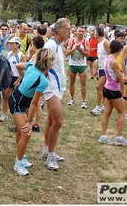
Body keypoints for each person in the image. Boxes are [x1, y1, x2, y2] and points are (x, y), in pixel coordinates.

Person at [10, 48, 55, 176]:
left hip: (22, 100)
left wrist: (24, 78)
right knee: (26, 133)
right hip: (17, 101)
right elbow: (35, 103)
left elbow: (18, 65)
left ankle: (21, 156)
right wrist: (30, 122)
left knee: (21, 130)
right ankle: (18, 163)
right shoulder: (43, 81)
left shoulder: (30, 64)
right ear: (49, 63)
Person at [41, 18, 70, 171]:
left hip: (58, 87)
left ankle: (47, 150)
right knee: (58, 121)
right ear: (59, 30)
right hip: (51, 87)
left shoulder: (58, 45)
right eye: (67, 28)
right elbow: (43, 66)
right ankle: (51, 156)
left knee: (51, 120)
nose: (69, 31)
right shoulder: (50, 45)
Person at [98, 40, 127, 146]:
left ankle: (103, 135)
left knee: (107, 112)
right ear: (119, 50)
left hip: (107, 87)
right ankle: (119, 137)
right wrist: (122, 78)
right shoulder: (114, 62)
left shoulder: (107, 59)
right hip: (113, 89)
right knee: (122, 112)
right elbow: (121, 80)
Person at [0, 37, 26, 122]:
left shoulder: (21, 55)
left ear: (18, 45)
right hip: (9, 77)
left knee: (16, 98)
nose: (11, 45)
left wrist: (18, 80)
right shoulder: (8, 54)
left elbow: (23, 70)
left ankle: (17, 115)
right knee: (5, 96)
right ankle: (4, 114)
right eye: (10, 43)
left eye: (13, 43)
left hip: (17, 77)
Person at [66, 26, 90, 109]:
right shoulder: (71, 41)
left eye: (82, 31)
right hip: (72, 64)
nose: (81, 33)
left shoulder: (86, 41)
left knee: (83, 82)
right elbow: (67, 53)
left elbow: (88, 54)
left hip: (82, 65)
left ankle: (83, 101)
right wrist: (74, 49)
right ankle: (72, 99)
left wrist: (80, 50)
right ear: (76, 32)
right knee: (72, 82)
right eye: (79, 31)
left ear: (85, 33)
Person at [90, 27, 110, 115]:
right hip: (102, 68)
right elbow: (100, 58)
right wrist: (96, 69)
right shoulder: (99, 43)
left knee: (99, 86)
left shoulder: (105, 42)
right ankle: (104, 106)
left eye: (94, 33)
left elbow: (112, 55)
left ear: (97, 34)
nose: (93, 34)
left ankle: (98, 107)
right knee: (102, 88)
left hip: (107, 69)